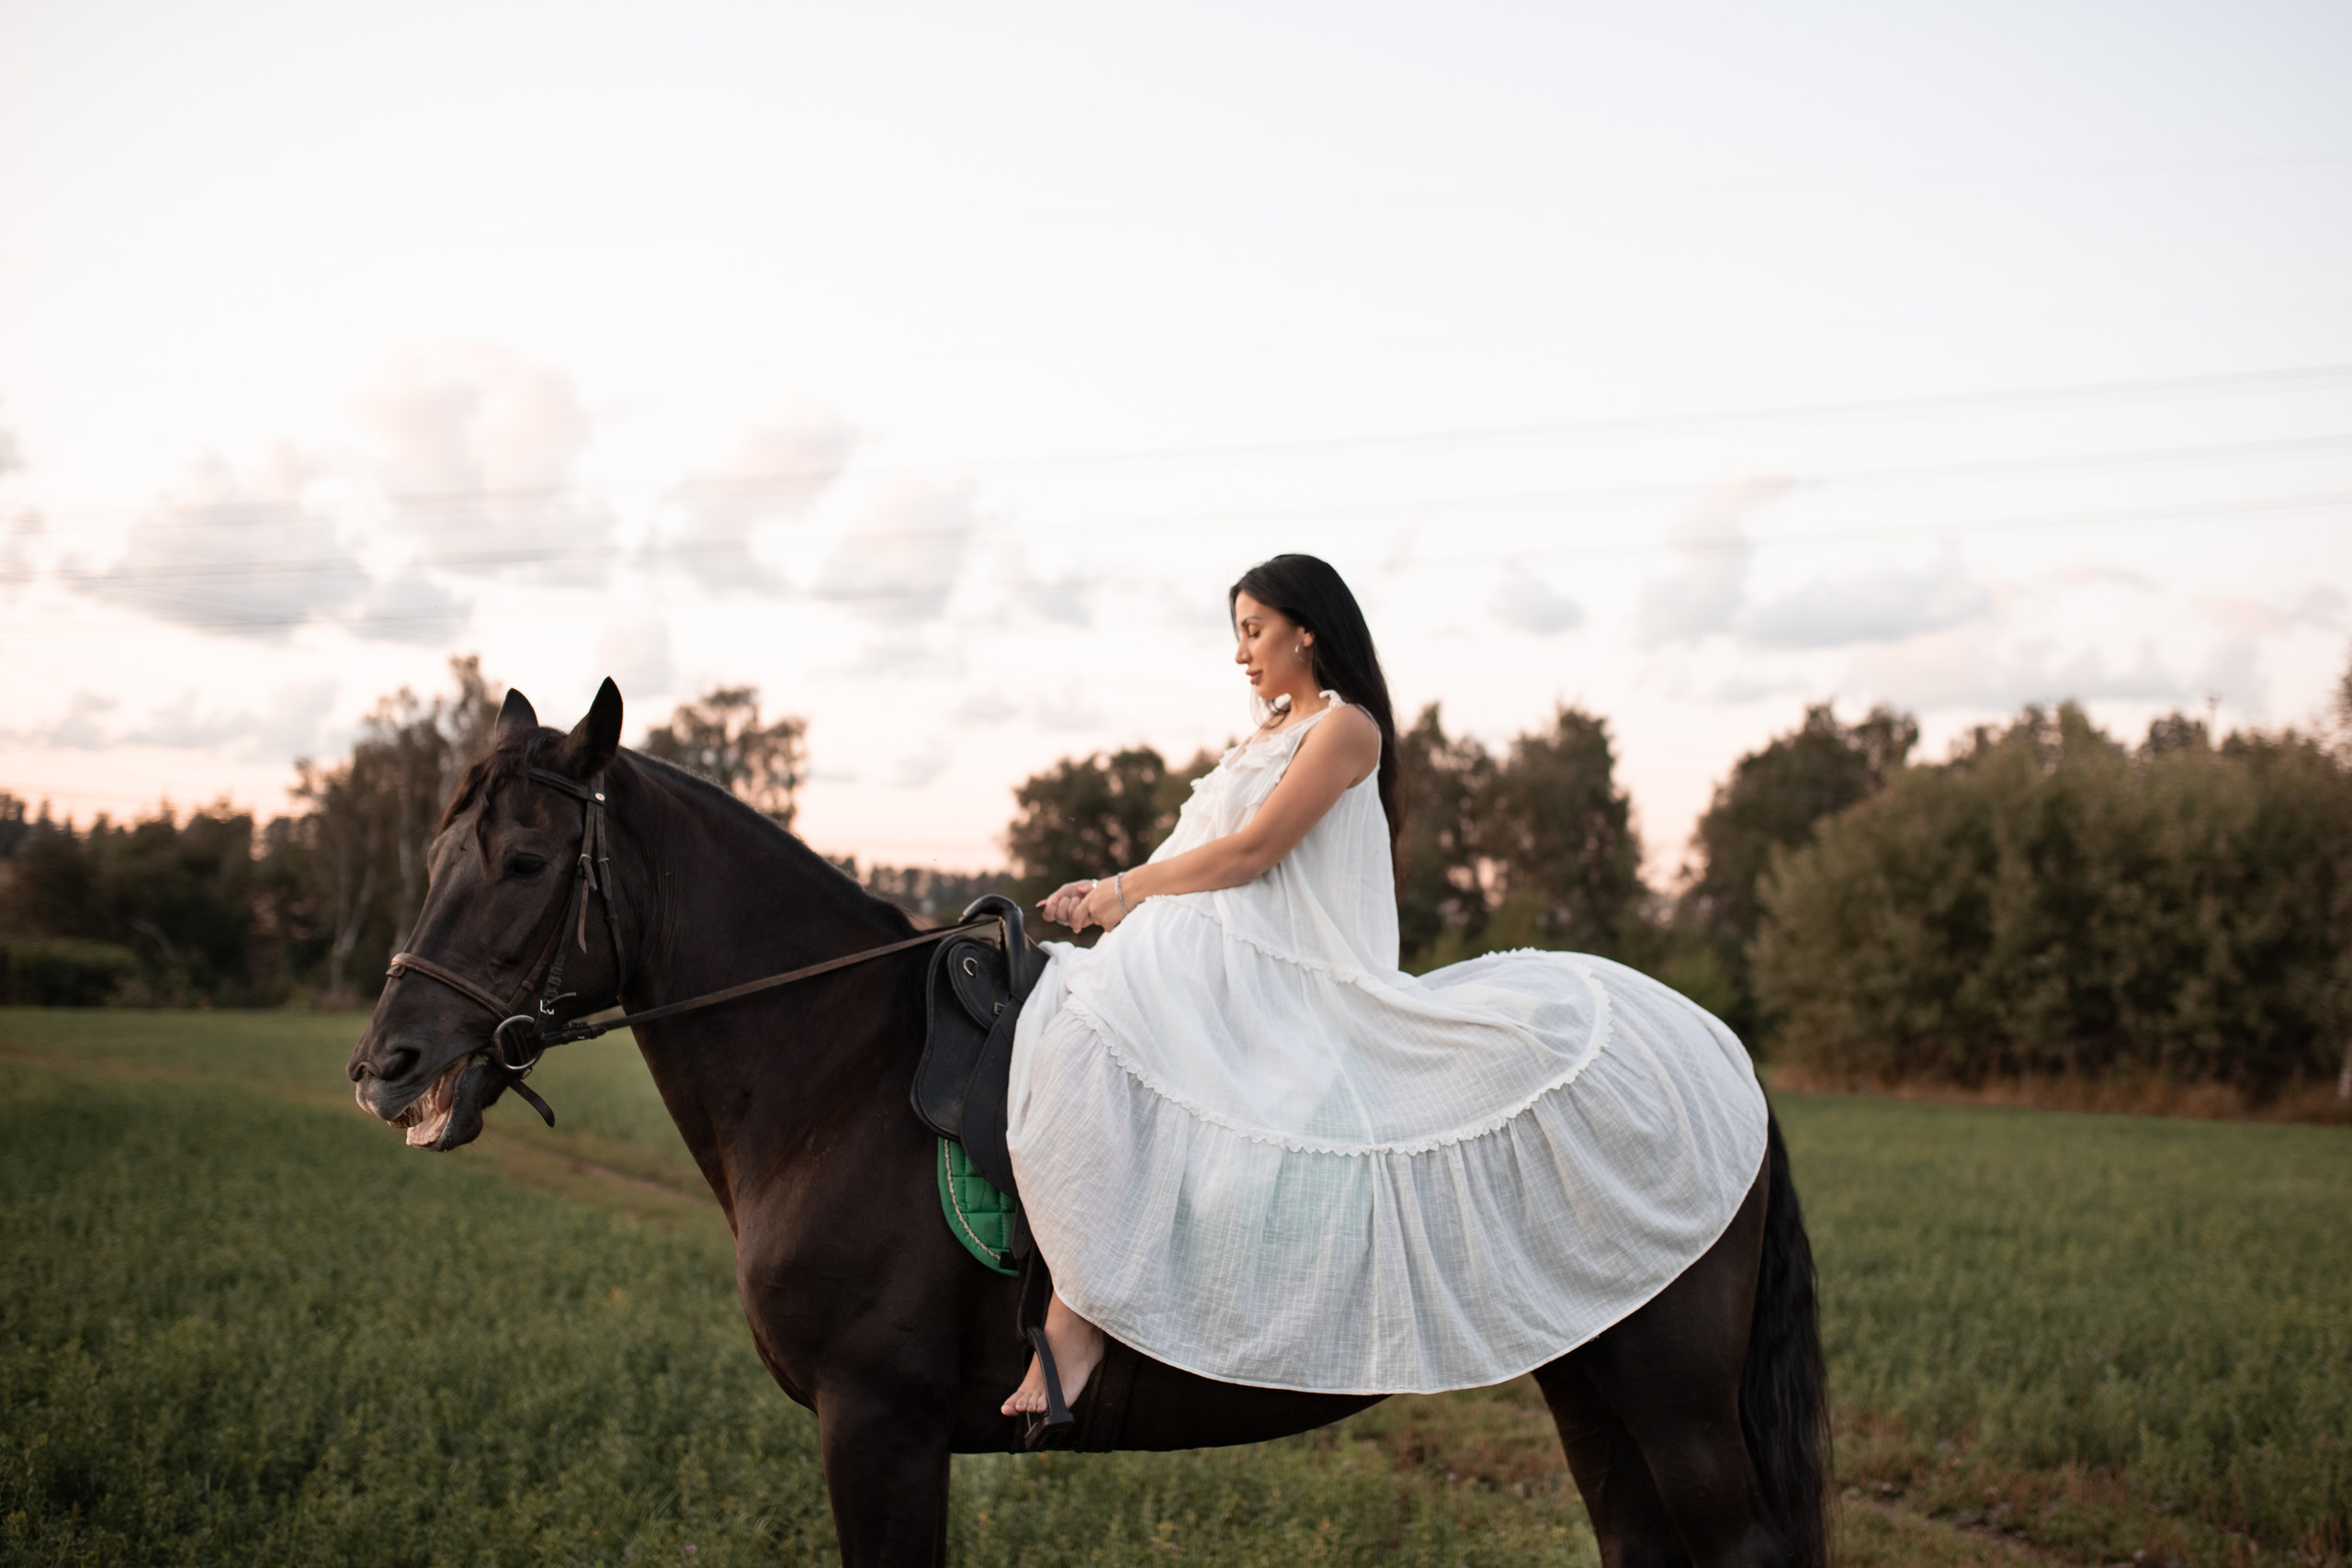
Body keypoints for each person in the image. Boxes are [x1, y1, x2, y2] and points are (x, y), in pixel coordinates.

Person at [1001, 555, 1765, 1416]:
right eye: (1237, 634)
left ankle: (1079, 1321)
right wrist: (1106, 891)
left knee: (1089, 1036)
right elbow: (1194, 851)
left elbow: (1255, 854)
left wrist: (1123, 892)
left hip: (1270, 962)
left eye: (1254, 630)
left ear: (1308, 628)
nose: (1242, 654)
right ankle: (1080, 1295)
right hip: (1193, 940)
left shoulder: (1344, 729)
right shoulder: (1258, 738)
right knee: (1065, 1029)